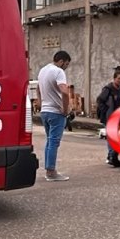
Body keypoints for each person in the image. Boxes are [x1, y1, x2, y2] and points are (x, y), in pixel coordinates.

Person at [38, 50, 72, 180]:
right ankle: (51, 172)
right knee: (54, 142)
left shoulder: (43, 70)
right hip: (56, 112)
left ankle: (48, 169)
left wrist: (41, 103)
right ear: (61, 61)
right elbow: (65, 91)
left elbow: (38, 89)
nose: (66, 67)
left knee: (49, 141)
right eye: (66, 64)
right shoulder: (58, 71)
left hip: (45, 111)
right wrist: (65, 109)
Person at [97, 70, 120, 167]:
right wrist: (106, 110)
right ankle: (111, 157)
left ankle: (114, 157)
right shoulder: (108, 89)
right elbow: (100, 100)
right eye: (119, 78)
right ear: (114, 78)